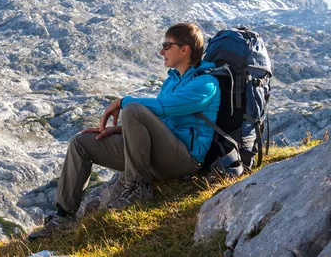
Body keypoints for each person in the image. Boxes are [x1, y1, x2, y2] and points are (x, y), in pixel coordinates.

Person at [28, 22, 220, 240]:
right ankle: (63, 217)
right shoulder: (173, 79)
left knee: (134, 108)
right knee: (81, 143)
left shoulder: (206, 84)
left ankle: (137, 188)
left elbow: (165, 107)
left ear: (185, 49)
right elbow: (161, 119)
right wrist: (119, 130)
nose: (161, 51)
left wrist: (123, 102)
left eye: (167, 45)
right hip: (157, 151)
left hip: (184, 160)